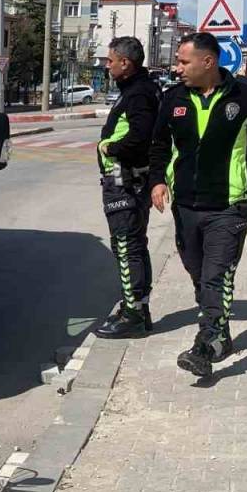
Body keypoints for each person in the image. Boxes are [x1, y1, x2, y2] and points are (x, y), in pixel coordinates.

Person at [149, 32, 247, 378]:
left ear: (207, 62)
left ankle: (206, 344)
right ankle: (221, 333)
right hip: (185, 206)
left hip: (229, 206)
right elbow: (160, 146)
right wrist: (157, 181)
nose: (177, 68)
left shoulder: (246, 97)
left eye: (183, 62)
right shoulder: (173, 98)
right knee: (198, 273)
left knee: (216, 276)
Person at [92, 37, 161, 339]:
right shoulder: (139, 89)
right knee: (134, 244)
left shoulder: (138, 93)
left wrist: (110, 148)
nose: (107, 66)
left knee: (125, 245)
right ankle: (138, 309)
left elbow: (140, 137)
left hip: (125, 180)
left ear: (125, 63)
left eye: (110, 61)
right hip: (131, 180)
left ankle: (133, 314)